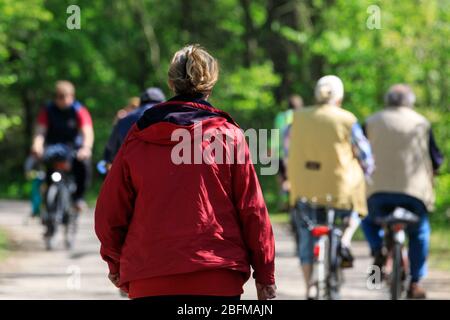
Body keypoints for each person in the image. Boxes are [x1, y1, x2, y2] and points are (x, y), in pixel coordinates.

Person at [95, 45, 276, 300]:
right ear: (211, 84)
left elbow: (109, 211)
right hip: (216, 277)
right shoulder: (229, 137)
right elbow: (252, 210)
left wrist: (115, 263)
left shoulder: (138, 136)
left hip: (150, 279)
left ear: (171, 82)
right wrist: (265, 275)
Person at [288, 75, 374, 299]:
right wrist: (367, 169)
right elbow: (365, 154)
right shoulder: (347, 119)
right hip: (340, 190)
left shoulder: (297, 118)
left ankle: (310, 286)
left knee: (306, 235)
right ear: (340, 97)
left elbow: (286, 150)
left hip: (305, 188)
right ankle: (344, 239)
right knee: (357, 208)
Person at [361, 84, 444, 299]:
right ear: (410, 101)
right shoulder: (422, 123)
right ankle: (415, 281)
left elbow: (359, 154)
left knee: (368, 219)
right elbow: (436, 160)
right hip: (414, 194)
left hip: (377, 192)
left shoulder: (371, 122)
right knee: (419, 232)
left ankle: (378, 247)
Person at [31, 80, 94, 211]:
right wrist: (37, 145)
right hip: (53, 147)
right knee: (46, 170)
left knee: (84, 164)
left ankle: (78, 198)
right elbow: (40, 131)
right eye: (60, 97)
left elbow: (87, 131)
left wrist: (86, 148)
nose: (64, 100)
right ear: (55, 97)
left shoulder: (79, 110)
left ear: (72, 96)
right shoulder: (48, 110)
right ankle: (47, 205)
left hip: (74, 148)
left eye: (67, 96)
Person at [102, 88, 165, 166]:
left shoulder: (124, 119)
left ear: (141, 102)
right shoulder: (170, 115)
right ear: (163, 101)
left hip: (133, 170)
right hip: (162, 168)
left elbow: (111, 149)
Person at [272, 95, 303, 210]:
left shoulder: (280, 117)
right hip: (296, 154)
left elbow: (275, 135)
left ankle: (284, 203)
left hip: (280, 154)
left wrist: (272, 150)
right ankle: (295, 203)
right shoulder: (302, 116)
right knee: (295, 179)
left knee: (282, 180)